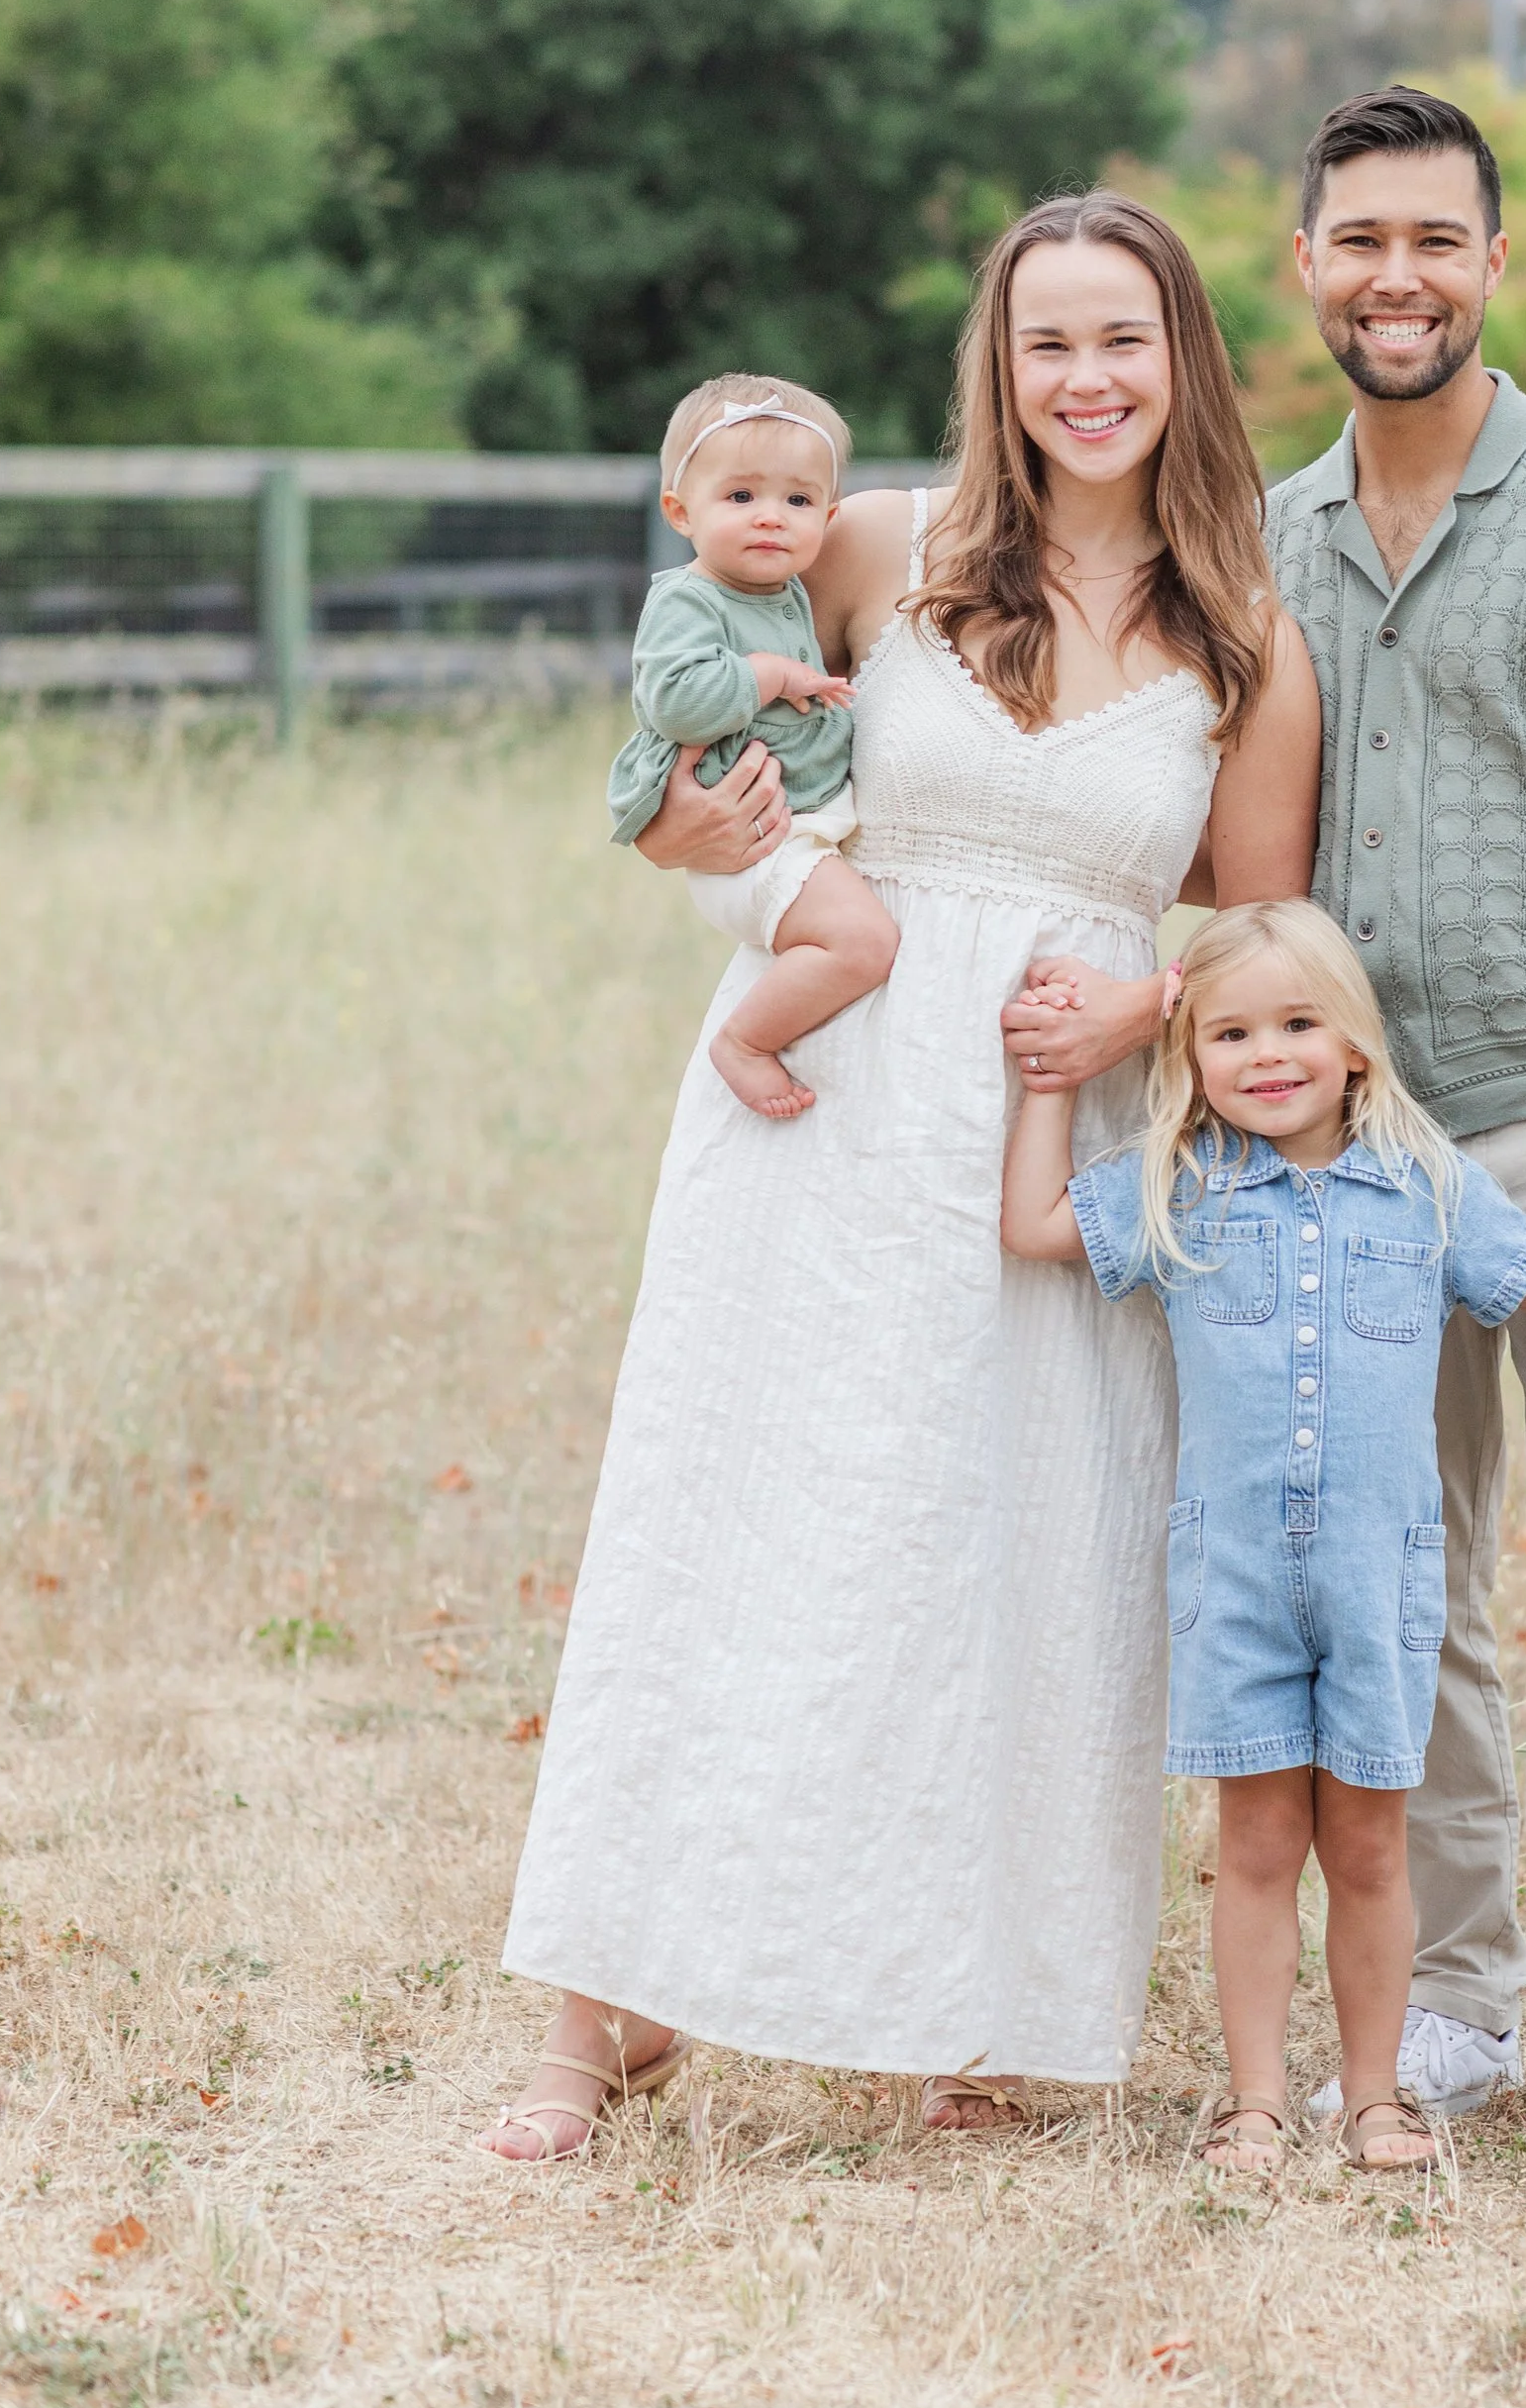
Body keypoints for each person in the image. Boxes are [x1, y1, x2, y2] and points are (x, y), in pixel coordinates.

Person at [483, 191, 1323, 2162]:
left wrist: (1138, 1019)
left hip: (1057, 1120)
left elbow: (1266, 921)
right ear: (998, 363)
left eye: (1121, 339)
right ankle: (602, 2012)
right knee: (730, 1515)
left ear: (1182, 355)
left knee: (1021, 1550)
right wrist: (725, 861)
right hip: (832, 1093)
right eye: (1046, 344)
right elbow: (686, 784)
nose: (1085, 379)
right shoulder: (879, 544)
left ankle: (990, 2011)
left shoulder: (1247, 632)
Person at [1002, 84, 1526, 2174]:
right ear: (1307, 270)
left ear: (1492, 263)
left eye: (1433, 240)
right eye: (1358, 243)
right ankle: (1449, 2008)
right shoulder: (1266, 541)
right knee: (1393, 1590)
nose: (1395, 277)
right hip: (1333, 1154)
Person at [1000, 897, 1526, 2182]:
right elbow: (1032, 1229)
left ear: (1356, 1042)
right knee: (1252, 1847)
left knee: (1364, 1846)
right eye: (1232, 1030)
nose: (1268, 1052)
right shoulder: (1177, 1184)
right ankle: (1249, 2101)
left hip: (1376, 1577)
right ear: (1192, 1052)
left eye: (1299, 1021)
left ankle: (1375, 2096)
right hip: (1236, 1577)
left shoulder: (1427, 1182)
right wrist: (1047, 1082)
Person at [607, 371, 894, 1120]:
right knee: (863, 943)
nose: (771, 518)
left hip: (800, 828)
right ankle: (745, 1043)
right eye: (740, 498)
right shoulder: (689, 597)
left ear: (828, 518)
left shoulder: (788, 590)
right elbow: (670, 701)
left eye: (797, 501)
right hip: (760, 838)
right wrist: (765, 675)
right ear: (680, 509)